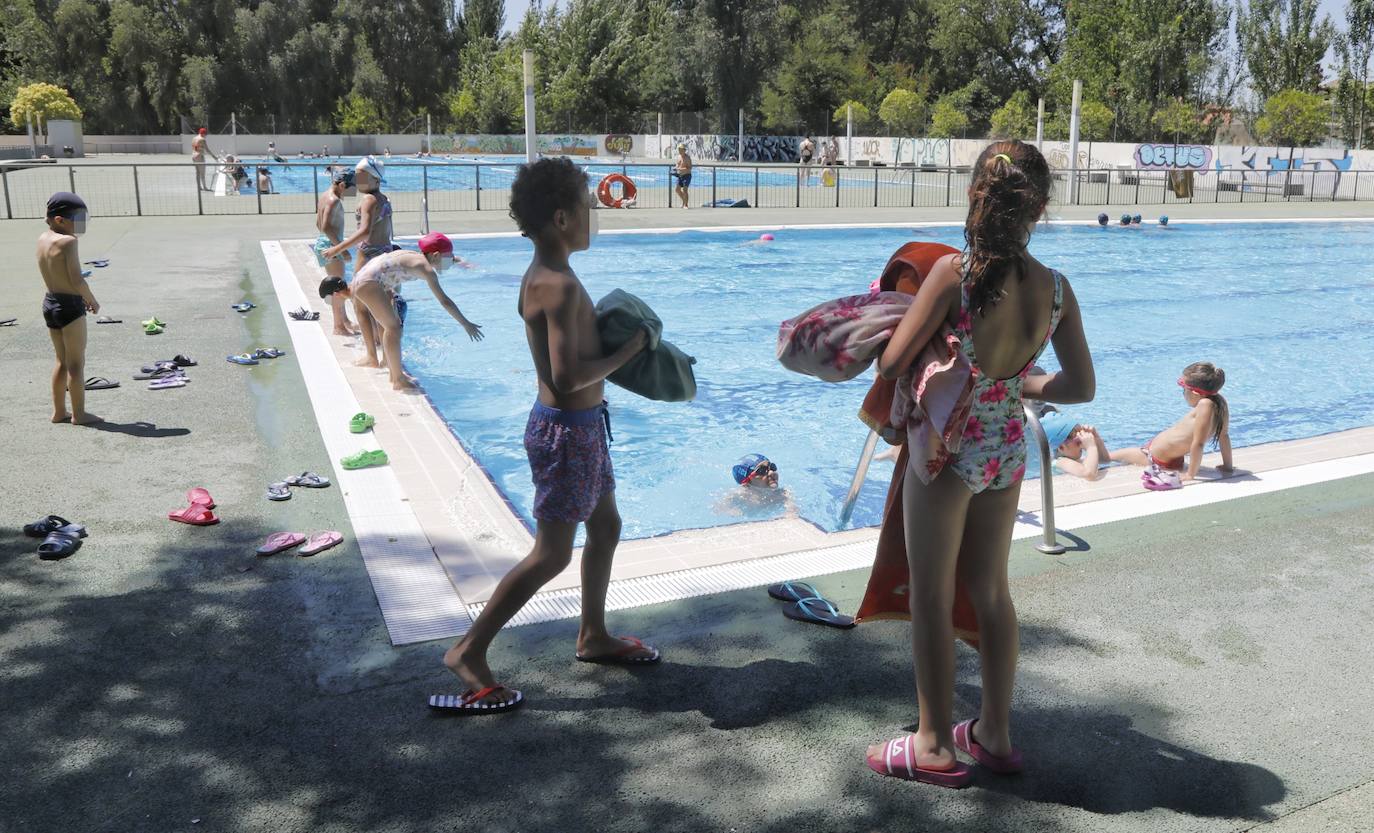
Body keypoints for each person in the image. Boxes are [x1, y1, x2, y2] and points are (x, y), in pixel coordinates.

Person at [869, 141, 1095, 786]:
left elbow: (890, 364)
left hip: (946, 450)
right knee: (993, 593)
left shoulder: (953, 276)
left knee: (934, 596)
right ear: (1041, 207)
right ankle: (993, 732)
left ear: (974, 195)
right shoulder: (1056, 289)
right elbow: (1079, 387)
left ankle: (934, 742)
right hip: (1006, 451)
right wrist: (1017, 385)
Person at [435, 157, 654, 715]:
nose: (592, 216)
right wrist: (631, 350)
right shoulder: (554, 285)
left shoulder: (550, 275)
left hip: (582, 430)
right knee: (551, 554)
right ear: (562, 217)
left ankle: (593, 634)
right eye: (586, 207)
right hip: (566, 435)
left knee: (605, 525)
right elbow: (566, 378)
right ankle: (468, 649)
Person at [318, 234, 482, 390]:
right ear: (436, 255)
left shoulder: (415, 256)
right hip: (368, 283)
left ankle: (392, 371)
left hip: (369, 278)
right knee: (394, 328)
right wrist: (465, 323)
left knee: (389, 324)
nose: (451, 260)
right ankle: (397, 380)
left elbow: (387, 267)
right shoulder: (426, 269)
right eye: (449, 257)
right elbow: (444, 301)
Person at [37, 192, 101, 425]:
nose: (81, 225)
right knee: (76, 363)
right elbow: (76, 280)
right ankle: (79, 414)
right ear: (60, 220)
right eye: (78, 219)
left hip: (50, 303)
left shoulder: (43, 238)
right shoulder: (68, 242)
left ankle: (58, 412)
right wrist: (91, 299)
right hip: (70, 307)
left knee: (61, 361)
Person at [1108, 362, 1233, 482]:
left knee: (1107, 457)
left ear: (1195, 393)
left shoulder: (1204, 405)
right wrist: (1228, 466)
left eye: (1183, 389)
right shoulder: (1220, 402)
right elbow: (1224, 436)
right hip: (1173, 459)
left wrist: (1190, 474)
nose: (1183, 393)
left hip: (1152, 456)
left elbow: (1198, 444)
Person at [324, 156, 393, 367]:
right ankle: (386, 356)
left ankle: (372, 356)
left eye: (361, 175)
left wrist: (337, 248)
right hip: (385, 256)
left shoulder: (368, 200)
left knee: (360, 306)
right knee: (384, 308)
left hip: (369, 259)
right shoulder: (384, 199)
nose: (357, 178)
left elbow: (364, 233)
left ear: (375, 179)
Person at [314, 169, 359, 336]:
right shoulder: (333, 201)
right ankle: (338, 327)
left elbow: (318, 225)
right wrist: (341, 248)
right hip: (331, 246)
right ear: (342, 185)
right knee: (338, 289)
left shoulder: (325, 196)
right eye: (351, 188)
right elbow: (326, 227)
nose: (353, 192)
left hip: (324, 243)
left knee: (338, 286)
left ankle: (345, 321)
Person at [1039, 412, 1107, 481]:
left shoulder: (1074, 457)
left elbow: (1105, 460)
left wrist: (1096, 438)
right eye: (1078, 442)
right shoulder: (1060, 462)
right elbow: (1089, 475)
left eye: (1080, 431)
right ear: (1061, 448)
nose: (1081, 439)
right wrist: (1091, 447)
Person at [191, 128, 218, 192]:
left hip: (193, 156)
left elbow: (193, 147)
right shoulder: (202, 139)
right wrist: (214, 157)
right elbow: (207, 150)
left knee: (197, 172)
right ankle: (205, 187)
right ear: (203, 133)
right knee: (202, 173)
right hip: (199, 156)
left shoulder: (194, 138)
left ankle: (199, 187)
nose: (206, 136)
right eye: (205, 134)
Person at [673, 143, 692, 208]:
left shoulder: (687, 158)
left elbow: (689, 168)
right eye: (679, 149)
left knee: (685, 189)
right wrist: (675, 168)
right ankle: (684, 201)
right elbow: (677, 165)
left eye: (681, 149)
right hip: (680, 175)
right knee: (677, 190)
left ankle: (686, 205)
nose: (679, 150)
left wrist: (679, 168)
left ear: (684, 150)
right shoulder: (679, 157)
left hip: (687, 175)